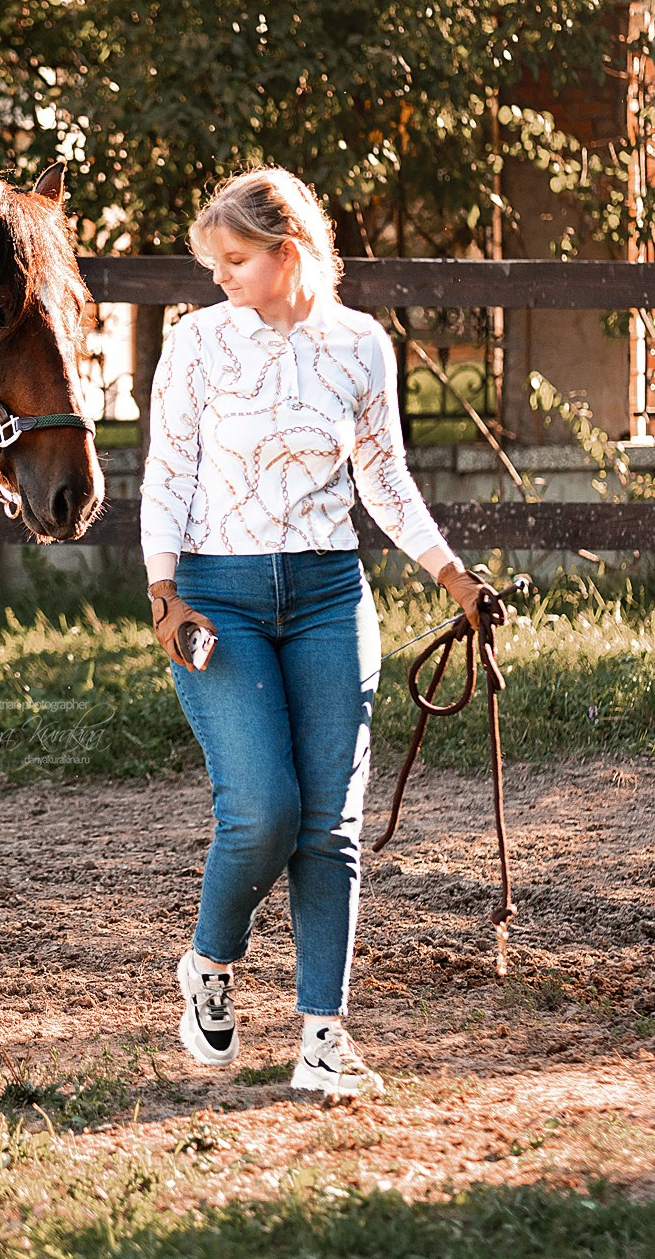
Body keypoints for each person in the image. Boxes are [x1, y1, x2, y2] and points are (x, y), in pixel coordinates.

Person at [140, 167, 493, 1100]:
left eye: (235, 258)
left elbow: (385, 478)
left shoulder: (360, 344)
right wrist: (162, 592)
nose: (219, 275)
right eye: (215, 262)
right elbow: (167, 474)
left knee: (330, 823)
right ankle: (209, 962)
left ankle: (323, 1036)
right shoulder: (197, 343)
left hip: (331, 594)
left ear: (287, 252)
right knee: (264, 807)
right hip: (217, 596)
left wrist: (452, 575)